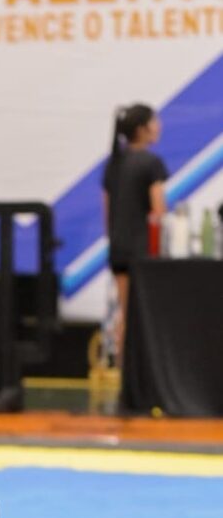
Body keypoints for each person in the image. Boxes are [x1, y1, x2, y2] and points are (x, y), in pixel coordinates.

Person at [102, 104, 168, 365]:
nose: (159, 126)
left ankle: (123, 368)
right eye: (154, 122)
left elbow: (107, 210)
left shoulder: (114, 164)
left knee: (125, 310)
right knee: (140, 314)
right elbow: (158, 211)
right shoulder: (151, 163)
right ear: (142, 129)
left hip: (118, 248)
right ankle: (133, 370)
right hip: (141, 251)